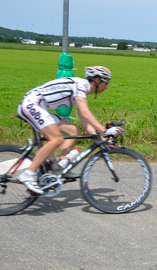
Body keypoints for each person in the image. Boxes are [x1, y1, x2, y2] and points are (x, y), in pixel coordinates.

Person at [16, 66, 118, 194]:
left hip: (39, 105)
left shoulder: (82, 92)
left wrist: (102, 139)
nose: (107, 86)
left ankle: (58, 167)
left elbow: (86, 124)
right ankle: (28, 174)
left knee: (74, 132)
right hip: (32, 103)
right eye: (106, 82)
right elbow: (86, 113)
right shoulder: (81, 86)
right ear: (97, 80)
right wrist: (104, 130)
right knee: (56, 139)